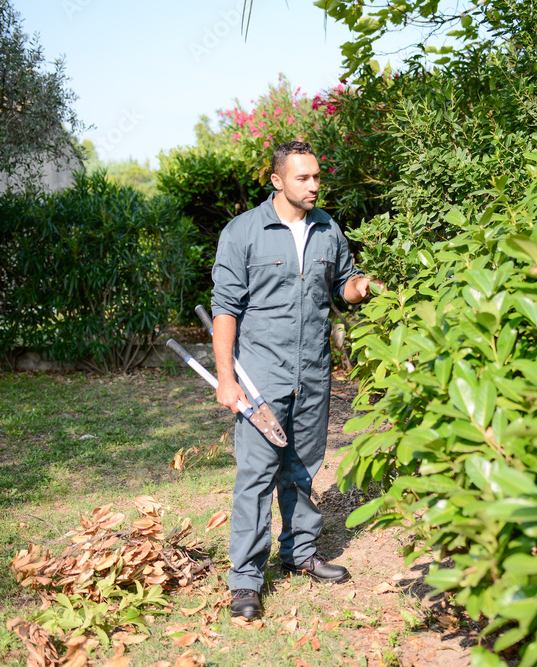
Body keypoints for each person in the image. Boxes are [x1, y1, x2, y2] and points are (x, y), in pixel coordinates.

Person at [210, 141, 382, 620]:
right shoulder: (243, 232)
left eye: (317, 178)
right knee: (257, 477)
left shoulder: (328, 229)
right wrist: (226, 378)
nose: (314, 186)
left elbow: (342, 286)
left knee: (304, 467)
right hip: (262, 376)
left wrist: (362, 287)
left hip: (313, 372)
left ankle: (299, 552)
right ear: (277, 180)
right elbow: (225, 308)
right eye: (304, 178)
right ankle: (245, 581)